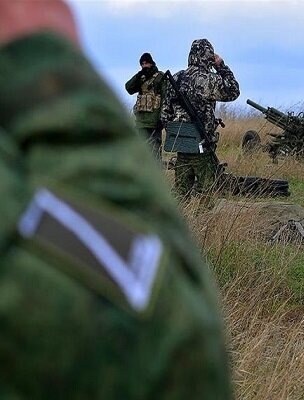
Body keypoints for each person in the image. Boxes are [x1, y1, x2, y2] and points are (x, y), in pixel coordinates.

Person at [0, 1, 232, 398]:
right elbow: (177, 343)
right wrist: (41, 60)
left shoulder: (168, 78)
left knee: (184, 187)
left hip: (176, 140)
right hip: (186, 141)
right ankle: (204, 221)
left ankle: (195, 216)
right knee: (204, 189)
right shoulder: (191, 79)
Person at [161, 39, 240, 201]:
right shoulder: (208, 79)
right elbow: (233, 91)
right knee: (207, 194)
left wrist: (177, 133)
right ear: (208, 56)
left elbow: (164, 115)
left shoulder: (176, 78)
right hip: (201, 147)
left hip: (180, 145)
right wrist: (221, 66)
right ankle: (205, 225)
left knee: (180, 195)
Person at [125, 52, 166, 162]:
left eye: (147, 63)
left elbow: (166, 99)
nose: (145, 66)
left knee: (155, 155)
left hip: (154, 123)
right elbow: (128, 88)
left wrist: (162, 119)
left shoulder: (160, 78)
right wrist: (138, 75)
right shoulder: (141, 78)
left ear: (151, 63)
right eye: (142, 64)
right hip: (141, 123)